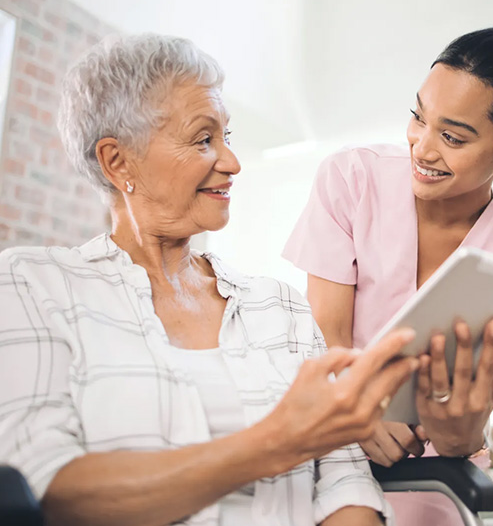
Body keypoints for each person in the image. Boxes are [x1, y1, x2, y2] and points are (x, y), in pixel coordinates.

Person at [0, 33, 457, 526]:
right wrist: (275, 442)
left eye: (226, 137)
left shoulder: (280, 307)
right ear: (118, 161)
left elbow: (345, 485)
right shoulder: (31, 285)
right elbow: (47, 489)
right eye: (203, 139)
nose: (232, 162)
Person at [283, 26, 493, 525]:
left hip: (435, 478)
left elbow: (470, 421)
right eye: (419, 117)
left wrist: (459, 432)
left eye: (453, 137)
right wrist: (360, 417)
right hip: (330, 452)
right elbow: (326, 340)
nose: (422, 148)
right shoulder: (351, 179)